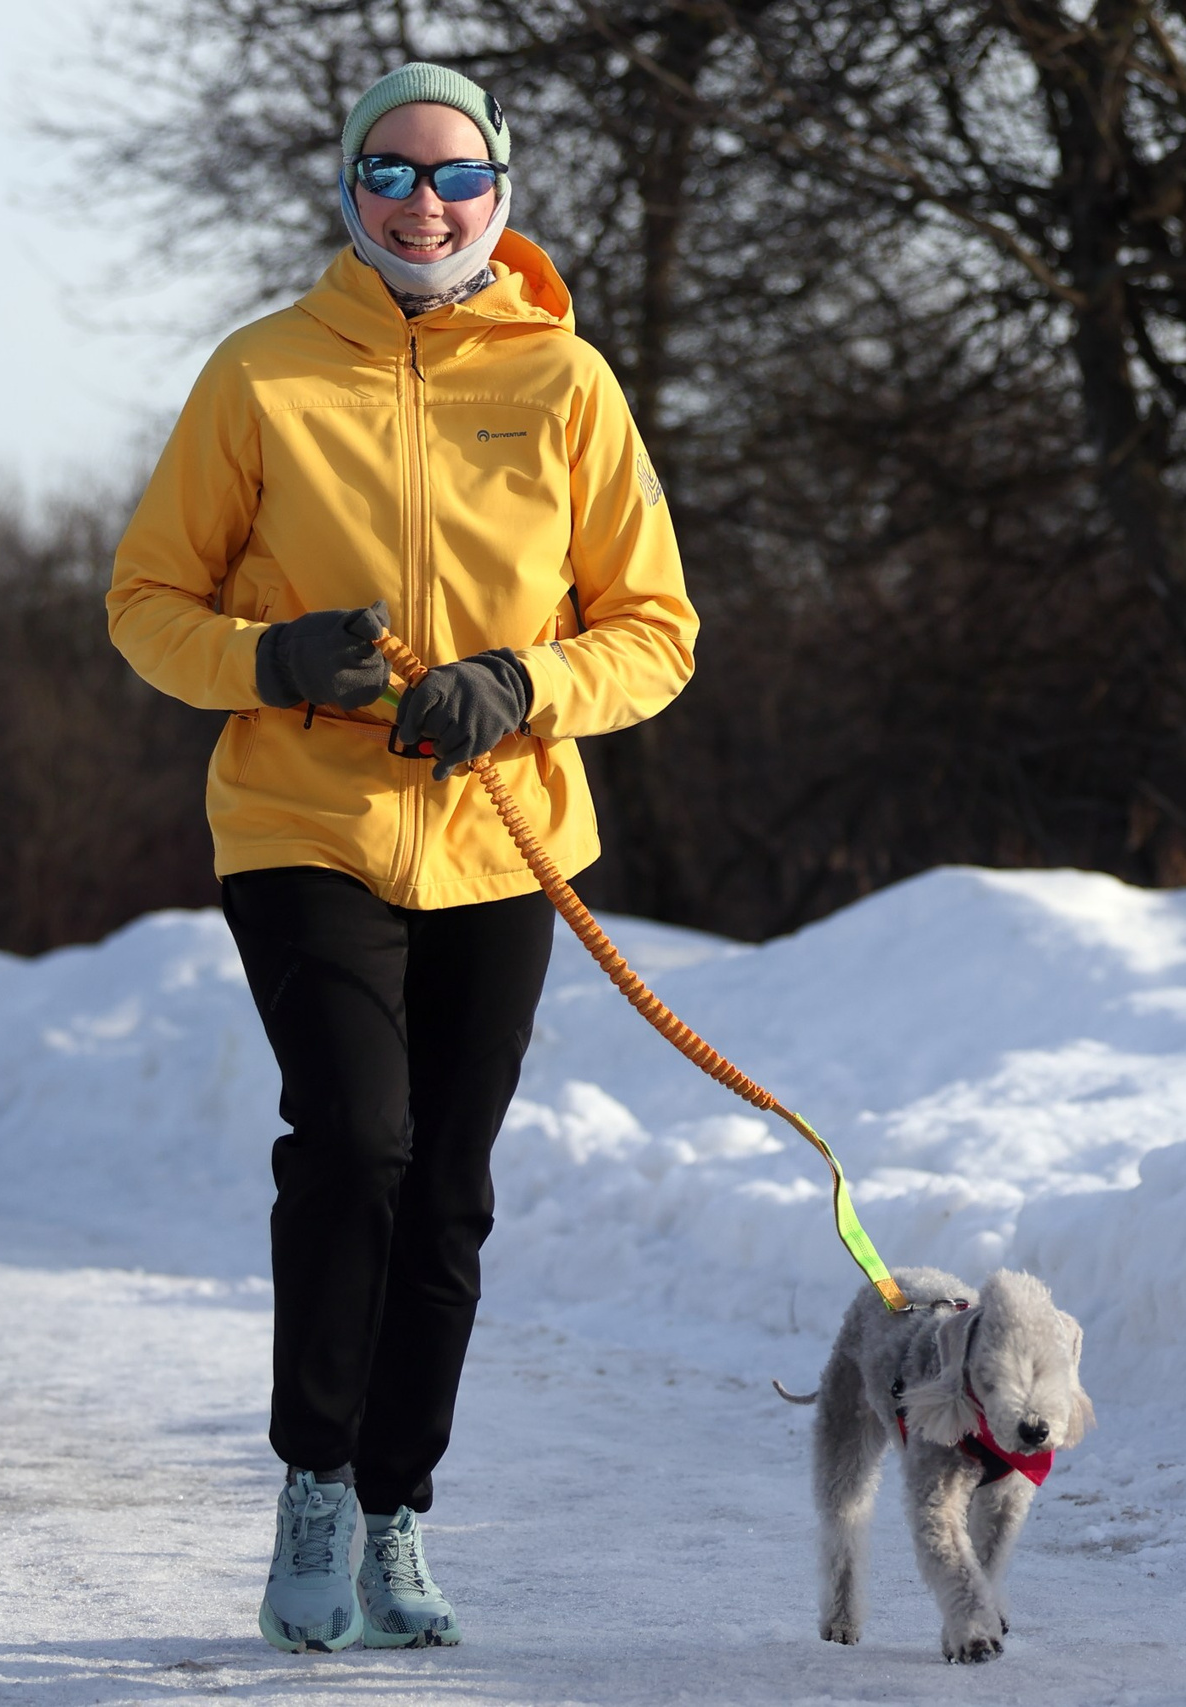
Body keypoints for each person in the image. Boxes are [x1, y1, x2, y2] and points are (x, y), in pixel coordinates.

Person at [106, 63, 697, 1653]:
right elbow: (145, 603)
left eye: (452, 174)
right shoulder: (263, 371)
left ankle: (396, 1504)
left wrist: (523, 682)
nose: (421, 203)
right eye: (389, 171)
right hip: (304, 823)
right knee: (356, 1138)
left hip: (504, 839)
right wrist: (271, 657)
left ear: (501, 190)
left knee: (445, 1186)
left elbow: (656, 632)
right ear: (348, 190)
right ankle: (314, 1473)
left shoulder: (567, 379)